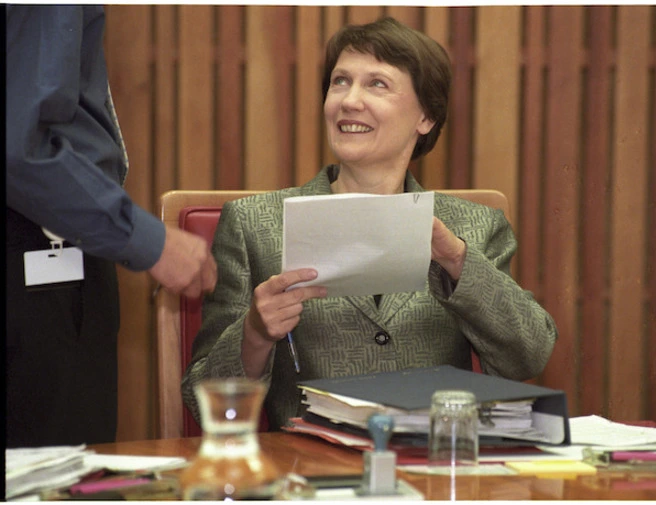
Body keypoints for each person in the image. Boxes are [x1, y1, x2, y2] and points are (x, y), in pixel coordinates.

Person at [182, 16, 557, 430]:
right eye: (340, 81)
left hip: (434, 463)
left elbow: (528, 357)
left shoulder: (476, 227)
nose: (348, 100)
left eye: (377, 84)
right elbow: (202, 402)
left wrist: (457, 261)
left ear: (426, 118)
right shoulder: (255, 224)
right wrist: (254, 333)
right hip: (310, 470)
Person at [6, 5, 218, 447]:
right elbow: (19, 146)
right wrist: (145, 240)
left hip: (51, 240)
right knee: (56, 478)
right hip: (34, 250)